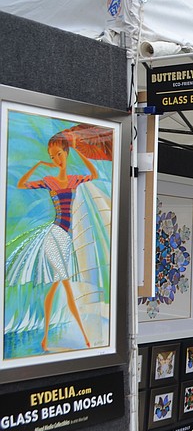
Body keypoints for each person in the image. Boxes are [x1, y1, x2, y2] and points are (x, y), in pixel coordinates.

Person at [8, 129, 104, 351]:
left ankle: (45, 338)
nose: (56, 159)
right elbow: (22, 184)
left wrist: (79, 151)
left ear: (66, 152)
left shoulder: (74, 179)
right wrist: (39, 164)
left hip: (66, 239)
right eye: (52, 156)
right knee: (66, 286)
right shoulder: (49, 181)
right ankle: (84, 338)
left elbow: (94, 175)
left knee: (55, 286)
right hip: (54, 236)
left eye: (59, 154)